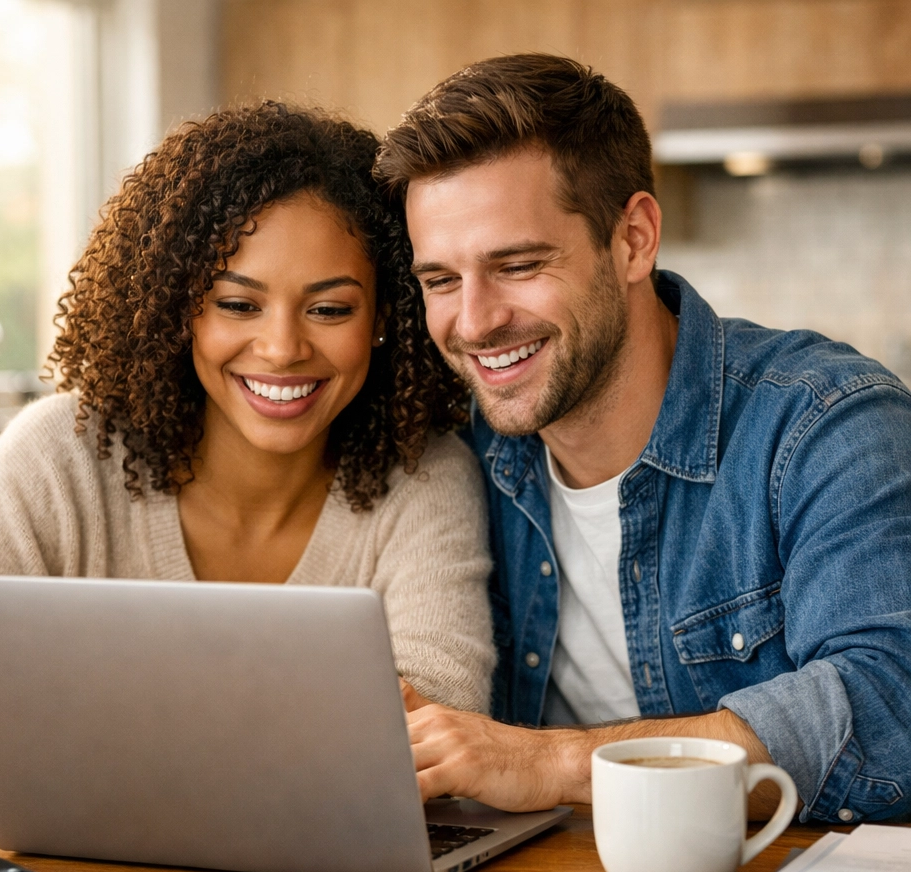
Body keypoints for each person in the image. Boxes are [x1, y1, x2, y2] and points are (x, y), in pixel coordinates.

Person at [0, 103, 495, 789]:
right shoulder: (64, 454)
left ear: (383, 317)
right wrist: (186, 729)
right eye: (238, 304)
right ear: (181, 310)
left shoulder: (423, 474)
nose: (282, 349)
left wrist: (88, 721)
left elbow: (442, 726)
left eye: (329, 309)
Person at [375, 54, 911, 824]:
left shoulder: (827, 425)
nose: (474, 321)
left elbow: (890, 703)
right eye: (440, 281)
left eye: (517, 265)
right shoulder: (459, 454)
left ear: (633, 239)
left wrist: (552, 761)